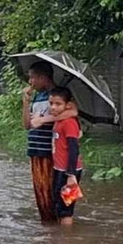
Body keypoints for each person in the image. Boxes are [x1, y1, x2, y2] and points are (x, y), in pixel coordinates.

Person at [22, 62, 77, 223]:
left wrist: (43, 120)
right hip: (35, 150)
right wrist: (25, 103)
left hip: (52, 152)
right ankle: (51, 229)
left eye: (32, 78)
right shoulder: (37, 96)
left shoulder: (58, 97)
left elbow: (73, 111)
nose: (30, 82)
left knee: (57, 194)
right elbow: (27, 125)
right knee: (41, 193)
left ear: (43, 77)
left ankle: (61, 228)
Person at [48, 87, 83, 226]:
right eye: (51, 103)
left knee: (66, 209)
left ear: (68, 105)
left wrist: (70, 174)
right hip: (59, 169)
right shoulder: (59, 121)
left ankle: (66, 237)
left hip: (69, 171)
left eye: (58, 104)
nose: (53, 107)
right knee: (58, 203)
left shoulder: (69, 122)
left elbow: (74, 148)